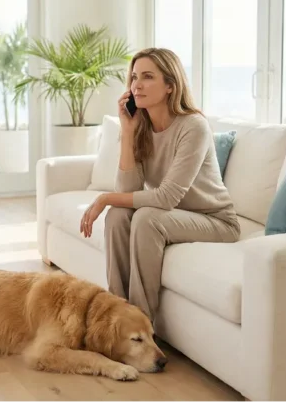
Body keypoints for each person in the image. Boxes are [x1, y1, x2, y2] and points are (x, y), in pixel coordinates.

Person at [78, 47, 242, 322]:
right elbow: (127, 191)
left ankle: (140, 326)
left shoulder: (193, 126)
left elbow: (166, 198)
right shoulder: (139, 126)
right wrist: (128, 131)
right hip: (174, 215)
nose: (137, 85)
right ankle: (115, 317)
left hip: (215, 220)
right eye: (133, 77)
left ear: (170, 86)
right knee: (118, 216)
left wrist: (104, 198)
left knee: (146, 219)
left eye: (148, 77)